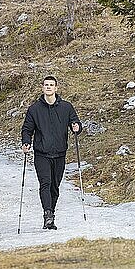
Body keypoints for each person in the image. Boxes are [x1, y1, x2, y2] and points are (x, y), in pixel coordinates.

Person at [21, 75, 82, 230]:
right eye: (46, 85)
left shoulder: (66, 107)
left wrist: (76, 127)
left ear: (56, 88)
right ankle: (48, 215)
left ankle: (51, 213)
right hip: (42, 153)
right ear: (43, 88)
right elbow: (27, 129)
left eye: (51, 85)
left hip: (60, 153)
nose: (48, 87)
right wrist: (26, 142)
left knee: (55, 187)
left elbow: (75, 123)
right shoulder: (34, 109)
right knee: (45, 183)